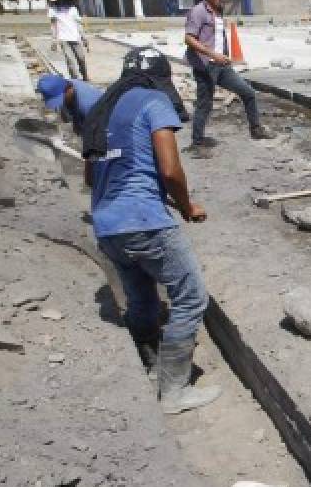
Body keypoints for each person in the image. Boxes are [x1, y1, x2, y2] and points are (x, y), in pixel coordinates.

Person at [82, 47, 221, 415]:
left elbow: (90, 176)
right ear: (161, 77)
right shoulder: (154, 100)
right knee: (190, 296)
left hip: (106, 224)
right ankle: (174, 391)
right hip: (143, 220)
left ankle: (150, 364)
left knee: (141, 296)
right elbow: (171, 170)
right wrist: (187, 206)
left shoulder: (103, 108)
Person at [183, 0, 274, 155]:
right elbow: (188, 38)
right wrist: (213, 54)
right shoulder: (198, 12)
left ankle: (256, 130)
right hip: (205, 66)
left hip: (222, 65)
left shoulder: (218, 10)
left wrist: (224, 54)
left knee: (248, 93)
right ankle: (197, 142)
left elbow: (217, 36)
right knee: (204, 104)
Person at [35, 73, 102, 134]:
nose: (62, 102)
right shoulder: (68, 84)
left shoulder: (87, 105)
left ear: (69, 89)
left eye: (61, 99)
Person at [47, 0, 89, 81]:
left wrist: (84, 37)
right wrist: (54, 40)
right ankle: (75, 79)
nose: (62, 2)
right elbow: (53, 26)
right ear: (57, 1)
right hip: (63, 38)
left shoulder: (73, 9)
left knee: (81, 57)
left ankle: (85, 75)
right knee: (70, 60)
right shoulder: (53, 10)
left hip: (75, 37)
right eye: (60, 0)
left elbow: (78, 24)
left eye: (63, 0)